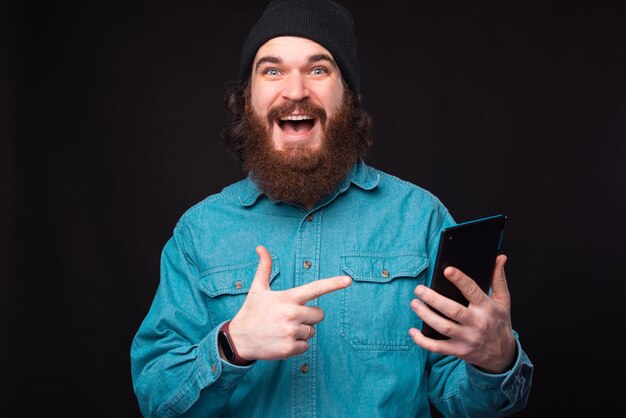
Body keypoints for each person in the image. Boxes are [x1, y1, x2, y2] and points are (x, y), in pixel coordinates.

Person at [130, 0, 534, 416]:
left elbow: (462, 399)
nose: (295, 90)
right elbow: (157, 399)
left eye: (318, 69)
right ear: (248, 98)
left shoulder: (420, 218)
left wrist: (495, 362)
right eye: (272, 70)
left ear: (349, 96)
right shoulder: (200, 231)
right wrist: (232, 344)